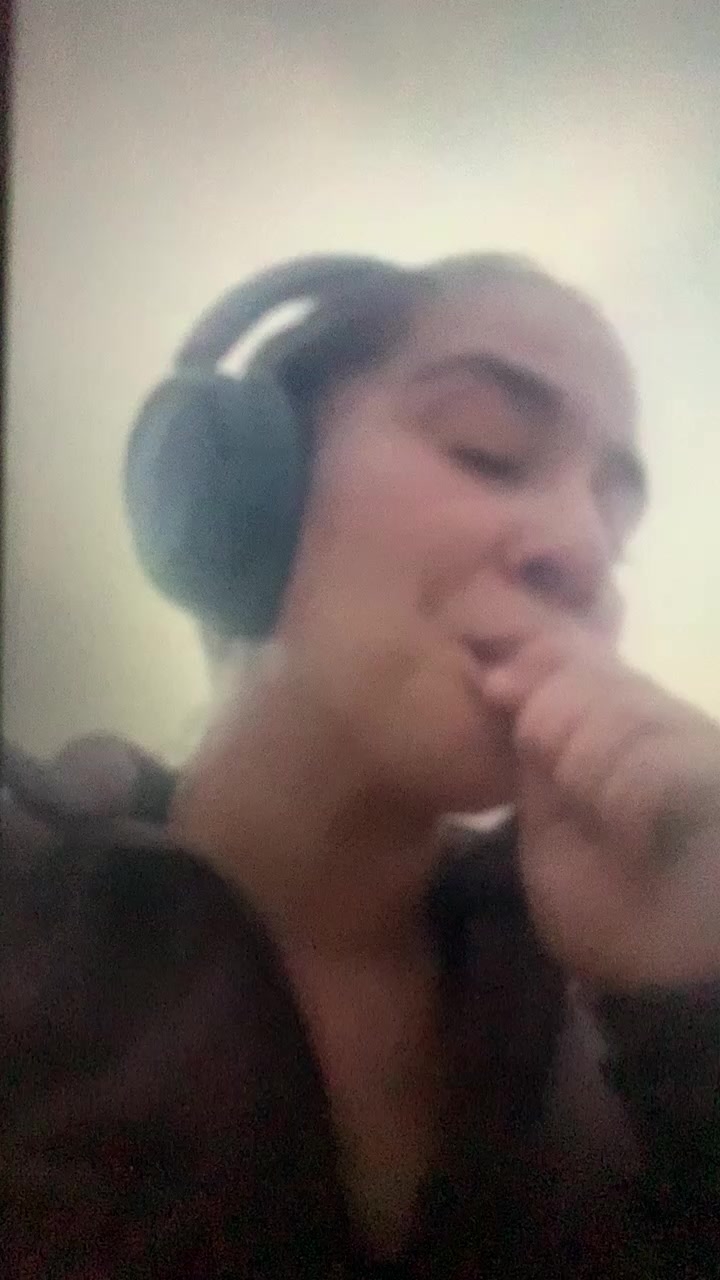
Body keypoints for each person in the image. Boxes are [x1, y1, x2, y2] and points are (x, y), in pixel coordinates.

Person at [2, 252, 720, 1278]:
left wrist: (688, 1023)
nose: (587, 553)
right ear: (250, 498)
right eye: (488, 451)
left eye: (618, 526)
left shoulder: (609, 1009)